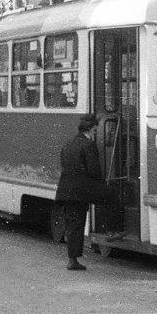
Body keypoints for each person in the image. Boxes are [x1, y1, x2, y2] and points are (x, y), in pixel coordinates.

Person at [54, 114, 107, 271]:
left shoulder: (69, 144)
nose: (96, 133)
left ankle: (72, 258)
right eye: (95, 130)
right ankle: (73, 260)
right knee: (77, 225)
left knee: (72, 225)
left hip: (65, 190)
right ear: (90, 129)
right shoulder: (88, 145)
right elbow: (94, 170)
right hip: (79, 192)